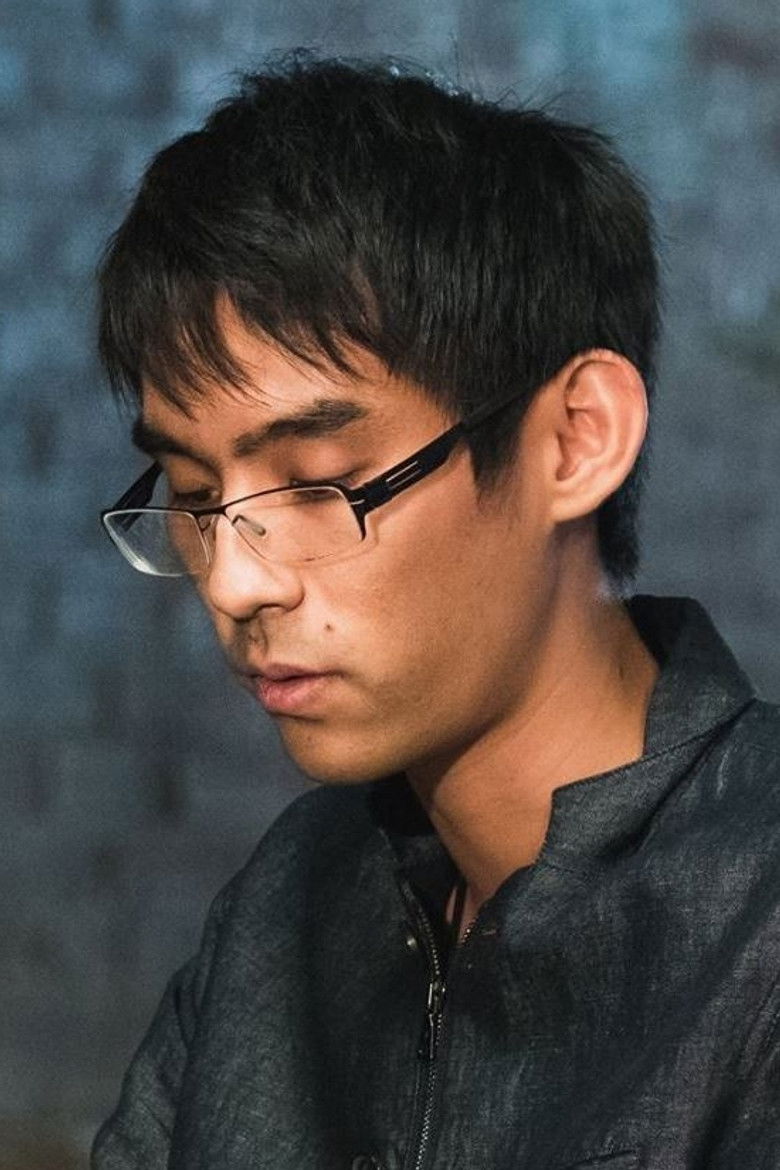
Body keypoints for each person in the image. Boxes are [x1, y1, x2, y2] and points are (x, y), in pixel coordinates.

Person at [91, 53, 780, 1170]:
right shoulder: (283, 913)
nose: (236, 583)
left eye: (318, 484)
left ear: (577, 439)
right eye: (195, 493)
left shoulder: (754, 930)